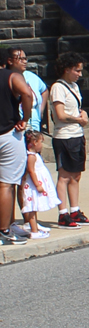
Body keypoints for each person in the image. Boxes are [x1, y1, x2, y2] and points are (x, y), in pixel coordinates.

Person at [50, 52, 89, 229]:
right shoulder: (58, 87)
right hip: (64, 136)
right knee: (64, 175)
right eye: (77, 70)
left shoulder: (74, 87)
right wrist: (78, 119)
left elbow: (77, 108)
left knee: (76, 174)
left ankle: (75, 210)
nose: (79, 74)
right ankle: (63, 214)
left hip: (77, 135)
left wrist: (83, 115)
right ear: (67, 69)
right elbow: (60, 114)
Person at [0, 61, 32, 245]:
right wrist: (25, 118)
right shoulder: (11, 76)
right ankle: (4, 230)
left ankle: (9, 225)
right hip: (7, 134)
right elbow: (27, 93)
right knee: (7, 184)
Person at [20, 130, 58, 238]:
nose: (42, 145)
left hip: (34, 185)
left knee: (34, 207)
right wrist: (37, 185)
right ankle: (34, 231)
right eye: (41, 142)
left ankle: (34, 227)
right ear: (35, 142)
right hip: (32, 186)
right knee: (32, 208)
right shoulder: (31, 157)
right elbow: (31, 171)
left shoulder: (35, 155)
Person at [6, 48, 48, 131]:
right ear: (10, 61)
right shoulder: (6, 78)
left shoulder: (31, 76)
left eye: (25, 59)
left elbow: (44, 90)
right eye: (20, 59)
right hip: (16, 126)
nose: (25, 62)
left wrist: (41, 110)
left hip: (35, 126)